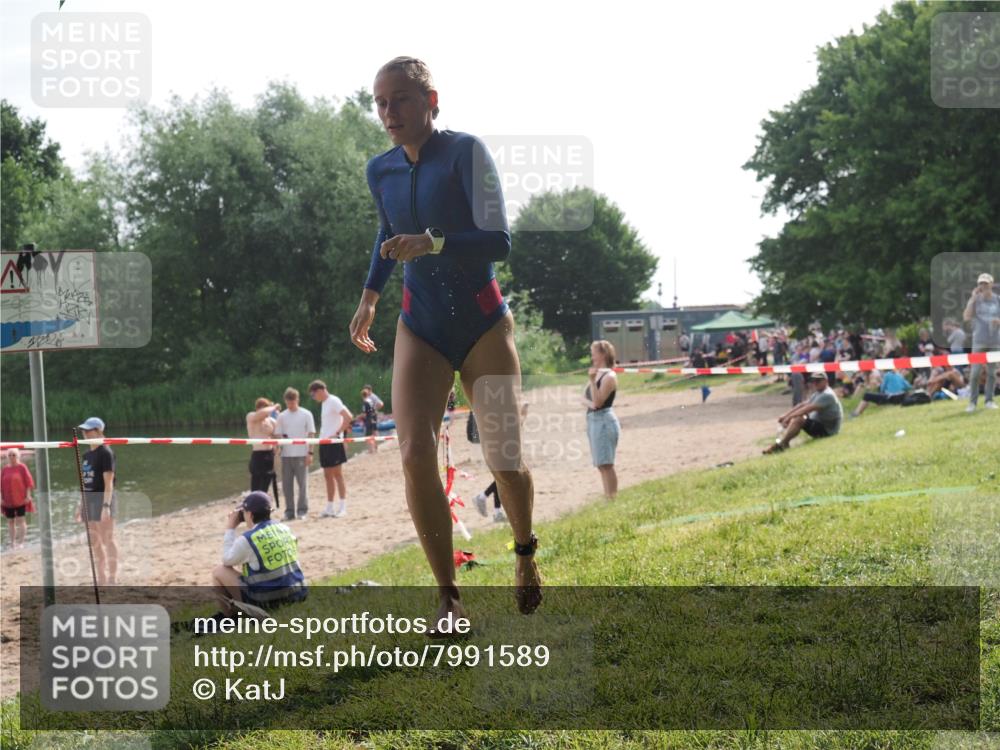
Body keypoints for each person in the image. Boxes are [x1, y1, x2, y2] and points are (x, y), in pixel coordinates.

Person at [348, 56, 540, 626]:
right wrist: (370, 295)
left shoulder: (465, 152)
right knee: (413, 454)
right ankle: (448, 596)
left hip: (481, 320)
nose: (389, 112)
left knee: (504, 455)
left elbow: (498, 241)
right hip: (420, 324)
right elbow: (387, 232)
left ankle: (525, 554)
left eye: (401, 99)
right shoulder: (379, 170)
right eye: (380, 102)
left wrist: (431, 243)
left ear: (432, 100)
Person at [210, 491, 307, 622]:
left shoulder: (248, 539)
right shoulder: (284, 528)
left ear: (249, 514)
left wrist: (230, 528)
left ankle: (231, 616)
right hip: (298, 593)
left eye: (243, 512)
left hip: (268, 601)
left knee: (219, 571)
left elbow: (227, 560)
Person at [75, 417, 118, 585]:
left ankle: (113, 577)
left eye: (89, 430)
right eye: (84, 431)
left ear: (99, 431)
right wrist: (80, 506)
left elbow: (109, 484)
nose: (85, 433)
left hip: (103, 499)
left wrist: (106, 506)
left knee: (107, 539)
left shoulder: (106, 453)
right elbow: (85, 483)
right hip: (89, 500)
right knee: (95, 541)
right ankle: (102, 577)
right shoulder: (86, 455)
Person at [764, 373, 843, 454]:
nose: (815, 383)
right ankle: (784, 443)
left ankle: (782, 444)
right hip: (822, 425)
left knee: (799, 419)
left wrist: (788, 417)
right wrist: (786, 415)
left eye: (818, 381)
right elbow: (802, 404)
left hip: (828, 431)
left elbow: (806, 409)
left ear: (826, 381)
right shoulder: (819, 392)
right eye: (813, 381)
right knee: (798, 417)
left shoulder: (827, 395)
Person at [308, 380, 354, 518]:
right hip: (324, 442)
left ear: (320, 390)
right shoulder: (325, 403)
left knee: (337, 474)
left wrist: (338, 433)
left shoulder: (333, 400)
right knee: (327, 475)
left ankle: (342, 507)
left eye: (313, 395)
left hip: (333, 442)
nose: (314, 398)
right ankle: (329, 507)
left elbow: (348, 417)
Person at [583, 340, 620, 498]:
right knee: (601, 464)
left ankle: (611, 499)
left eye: (594, 353)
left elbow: (597, 402)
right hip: (593, 420)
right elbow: (584, 399)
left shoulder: (609, 376)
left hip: (603, 421)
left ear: (603, 354)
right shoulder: (597, 373)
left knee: (606, 464)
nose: (592, 356)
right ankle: (608, 497)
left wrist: (592, 381)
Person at [274, 388, 315, 520]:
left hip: (302, 454)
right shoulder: (282, 416)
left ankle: (302, 511)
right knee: (286, 485)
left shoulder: (306, 414)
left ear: (297, 400)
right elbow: (278, 434)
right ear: (285, 401)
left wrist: (310, 452)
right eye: (288, 403)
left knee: (302, 484)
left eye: (293, 402)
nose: (290, 405)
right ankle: (289, 511)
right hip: (286, 455)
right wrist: (279, 446)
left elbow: (311, 434)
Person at [963, 272, 1000, 412]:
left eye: (985, 283)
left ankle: (989, 401)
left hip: (995, 340)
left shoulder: (998, 299)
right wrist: (972, 298)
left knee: (992, 373)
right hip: (979, 340)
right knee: (975, 373)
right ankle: (972, 403)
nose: (982, 285)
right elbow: (966, 317)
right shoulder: (975, 300)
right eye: (980, 283)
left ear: (991, 284)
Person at [246, 398, 281, 500]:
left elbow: (277, 436)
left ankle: (262, 508)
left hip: (269, 455)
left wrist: (277, 447)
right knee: (256, 487)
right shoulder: (251, 417)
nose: (268, 412)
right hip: (257, 455)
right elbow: (262, 413)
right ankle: (254, 509)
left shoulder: (271, 421)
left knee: (265, 485)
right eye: (267, 409)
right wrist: (273, 407)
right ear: (259, 409)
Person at [1, 448, 35, 549]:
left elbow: (28, 482)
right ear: (7, 457)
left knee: (21, 520)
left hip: (20, 498)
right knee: (10, 521)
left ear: (18, 456)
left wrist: (28, 495)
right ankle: (12, 543)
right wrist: (0, 498)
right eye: (10, 455)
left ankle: (21, 542)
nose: (12, 457)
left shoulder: (22, 467)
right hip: (7, 500)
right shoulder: (5, 469)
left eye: (14, 455)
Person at [360, 386, 380, 454]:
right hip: (373, 419)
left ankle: (371, 450)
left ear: (362, 396)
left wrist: (358, 417)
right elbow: (373, 410)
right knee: (373, 434)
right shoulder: (370, 401)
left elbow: (364, 414)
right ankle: (375, 448)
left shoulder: (365, 403)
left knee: (368, 436)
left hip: (368, 421)